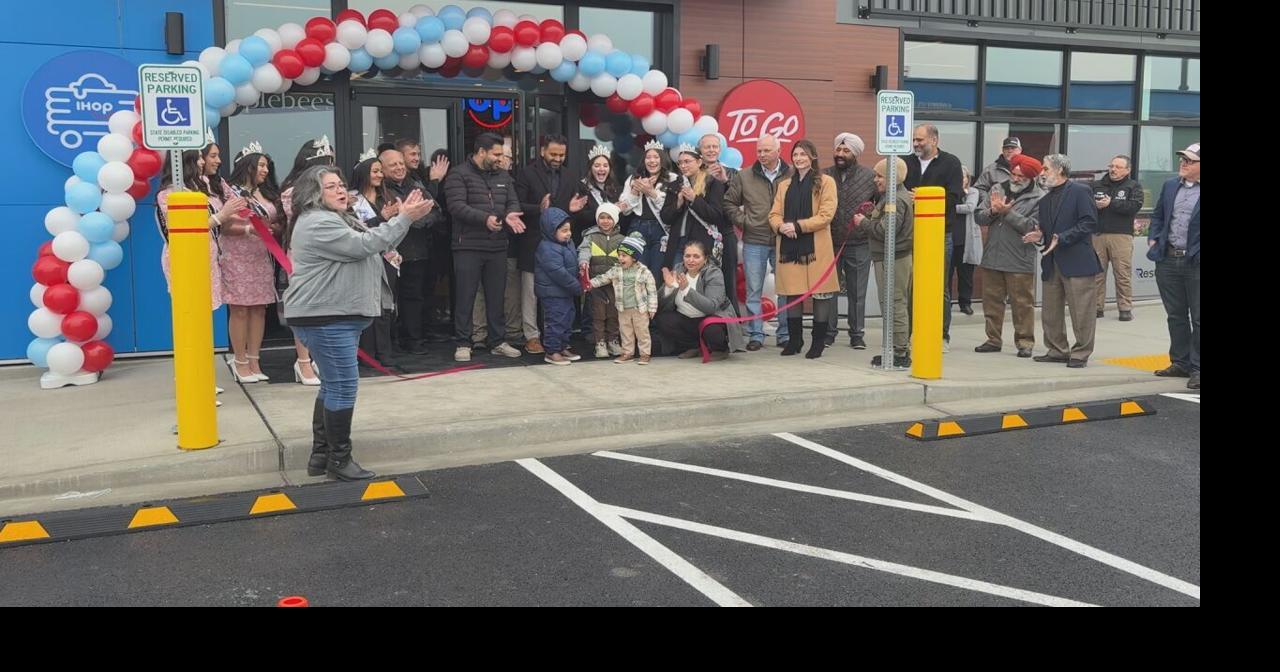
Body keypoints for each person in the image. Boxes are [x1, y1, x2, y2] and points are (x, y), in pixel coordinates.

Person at [283, 166, 434, 481]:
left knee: (333, 385)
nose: (341, 190)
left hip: (332, 315)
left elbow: (369, 241)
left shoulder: (333, 218)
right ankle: (339, 460)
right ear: (313, 193)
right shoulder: (319, 222)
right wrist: (404, 217)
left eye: (341, 185)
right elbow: (364, 245)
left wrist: (397, 223)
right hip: (326, 316)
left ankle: (322, 456)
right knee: (343, 386)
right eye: (331, 187)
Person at [444, 132, 526, 362]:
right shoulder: (458, 174)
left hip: (497, 245)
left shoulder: (503, 176)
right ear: (481, 152)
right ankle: (463, 342)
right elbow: (456, 206)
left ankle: (498, 341)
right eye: (496, 154)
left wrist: (510, 215)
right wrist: (485, 219)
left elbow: (513, 202)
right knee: (465, 296)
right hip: (467, 245)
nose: (501, 158)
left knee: (496, 296)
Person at [768, 139, 839, 359]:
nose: (799, 158)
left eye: (803, 154)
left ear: (813, 157)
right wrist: (781, 226)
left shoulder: (826, 182)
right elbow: (774, 214)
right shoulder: (784, 185)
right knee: (792, 294)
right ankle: (795, 340)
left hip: (816, 247)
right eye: (796, 154)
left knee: (821, 295)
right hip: (789, 246)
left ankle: (817, 343)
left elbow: (826, 216)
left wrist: (798, 226)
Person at [1032, 153, 1102, 368]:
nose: (1042, 173)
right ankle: (1057, 350)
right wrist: (1039, 236)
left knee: (1082, 312)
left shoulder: (1080, 191)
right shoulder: (1044, 201)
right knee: (1050, 312)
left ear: (1060, 170)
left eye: (1045, 168)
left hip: (1077, 262)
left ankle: (1080, 353)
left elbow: (1089, 222)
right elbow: (1046, 231)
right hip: (1052, 262)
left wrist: (1062, 238)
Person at [223, 145, 285, 384]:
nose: (265, 170)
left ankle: (254, 360)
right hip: (237, 256)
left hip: (261, 256)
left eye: (267, 166)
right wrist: (250, 228)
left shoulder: (264, 194)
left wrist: (273, 229)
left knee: (259, 308)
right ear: (247, 166)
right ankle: (239, 361)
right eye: (261, 165)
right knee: (240, 308)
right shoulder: (232, 193)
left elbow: (275, 222)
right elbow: (225, 226)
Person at [974, 154, 1044, 358]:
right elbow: (979, 216)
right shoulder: (996, 189)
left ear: (1030, 178)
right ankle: (993, 339)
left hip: (1019, 258)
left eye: (1020, 176)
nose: (1014, 178)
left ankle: (1025, 342)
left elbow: (1033, 227)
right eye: (1013, 173)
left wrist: (1007, 213)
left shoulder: (1039, 197)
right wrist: (994, 211)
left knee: (1022, 303)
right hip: (993, 256)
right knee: (991, 301)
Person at [726, 133, 791, 350]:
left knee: (785, 288)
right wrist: (745, 222)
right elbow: (729, 203)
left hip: (784, 240)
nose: (762, 154)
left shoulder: (791, 174)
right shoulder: (744, 176)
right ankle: (756, 334)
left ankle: (784, 333)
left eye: (766, 150)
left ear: (778, 151)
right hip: (754, 240)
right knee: (754, 290)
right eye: (759, 151)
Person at [904, 123, 965, 349]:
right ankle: (912, 333)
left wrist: (922, 197)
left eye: (920, 139)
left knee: (940, 288)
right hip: (910, 233)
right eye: (914, 140)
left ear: (934, 140)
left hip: (941, 234)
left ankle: (941, 335)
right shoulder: (905, 162)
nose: (916, 144)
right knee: (911, 286)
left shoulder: (951, 163)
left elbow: (954, 197)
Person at [1147, 142, 1200, 391]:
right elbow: (1158, 215)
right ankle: (1181, 362)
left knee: (1199, 318)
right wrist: (1153, 236)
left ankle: (1198, 368)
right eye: (1182, 159)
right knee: (1176, 315)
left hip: (1195, 263)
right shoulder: (1170, 186)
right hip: (1168, 259)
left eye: (1189, 161)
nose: (1183, 164)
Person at [855, 157, 915, 368]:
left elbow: (886, 230)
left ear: (892, 176)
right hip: (890, 257)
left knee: (894, 304)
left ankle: (900, 353)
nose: (876, 180)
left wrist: (863, 223)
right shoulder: (892, 197)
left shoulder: (895, 200)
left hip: (894, 259)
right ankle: (895, 349)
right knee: (893, 304)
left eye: (880, 176)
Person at [348, 152, 404, 368]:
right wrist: (382, 217)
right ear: (364, 173)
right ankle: (366, 353)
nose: (380, 175)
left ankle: (385, 351)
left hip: (387, 256)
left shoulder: (386, 197)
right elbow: (356, 230)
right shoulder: (352, 199)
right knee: (368, 305)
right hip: (364, 257)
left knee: (385, 305)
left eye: (381, 171)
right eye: (376, 171)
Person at [824, 132, 877, 349]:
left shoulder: (869, 176)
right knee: (829, 290)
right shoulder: (825, 175)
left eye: (846, 151)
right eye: (838, 149)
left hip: (859, 243)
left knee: (857, 291)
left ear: (855, 153)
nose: (840, 154)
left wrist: (868, 219)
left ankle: (857, 334)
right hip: (829, 242)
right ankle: (828, 332)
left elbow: (881, 205)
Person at [654, 239, 745, 360]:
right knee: (663, 319)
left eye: (696, 256)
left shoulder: (714, 273)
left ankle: (721, 349)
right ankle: (695, 347)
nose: (691, 260)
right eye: (687, 256)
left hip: (711, 317)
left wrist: (686, 290)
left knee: (711, 329)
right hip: (687, 318)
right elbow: (658, 305)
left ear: (705, 258)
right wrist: (669, 288)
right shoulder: (678, 269)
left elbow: (710, 307)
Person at [1089, 154, 1144, 321]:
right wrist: (1095, 205)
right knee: (1097, 274)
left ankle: (1125, 308)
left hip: (1121, 236)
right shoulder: (1096, 185)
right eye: (1112, 166)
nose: (1113, 169)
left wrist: (1110, 203)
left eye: (1118, 167)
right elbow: (1083, 205)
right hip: (1098, 235)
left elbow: (1134, 206)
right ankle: (1096, 308)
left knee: (1122, 274)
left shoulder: (1133, 186)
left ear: (1127, 170)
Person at [588, 235, 658, 364]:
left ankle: (645, 354)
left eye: (624, 255)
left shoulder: (644, 272)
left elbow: (652, 291)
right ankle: (627, 353)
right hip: (623, 308)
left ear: (634, 257)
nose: (620, 258)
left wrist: (652, 308)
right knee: (625, 332)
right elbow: (603, 278)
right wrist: (589, 283)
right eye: (619, 255)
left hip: (640, 309)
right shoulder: (616, 270)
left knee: (642, 333)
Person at [619, 141, 679, 280]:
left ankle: (655, 302)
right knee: (637, 273)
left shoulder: (673, 179)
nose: (652, 161)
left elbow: (671, 209)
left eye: (656, 157)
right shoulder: (633, 179)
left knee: (656, 275)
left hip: (661, 230)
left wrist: (651, 192)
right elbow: (625, 210)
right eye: (648, 157)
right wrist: (635, 190)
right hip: (638, 228)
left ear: (662, 159)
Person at [534, 207, 583, 365]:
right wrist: (576, 286)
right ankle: (552, 351)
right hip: (553, 293)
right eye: (563, 231)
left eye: (569, 230)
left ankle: (562, 346)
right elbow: (558, 273)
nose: (568, 233)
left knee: (567, 319)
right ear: (551, 230)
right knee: (555, 321)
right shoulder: (547, 248)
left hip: (565, 292)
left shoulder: (567, 244)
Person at [578, 203, 626, 358]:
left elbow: (627, 258)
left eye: (609, 218)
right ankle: (600, 343)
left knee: (614, 312)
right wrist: (583, 263)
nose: (605, 221)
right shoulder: (590, 236)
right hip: (596, 283)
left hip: (614, 284)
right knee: (598, 314)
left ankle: (612, 340)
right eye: (602, 217)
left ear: (616, 220)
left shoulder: (622, 239)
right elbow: (584, 251)